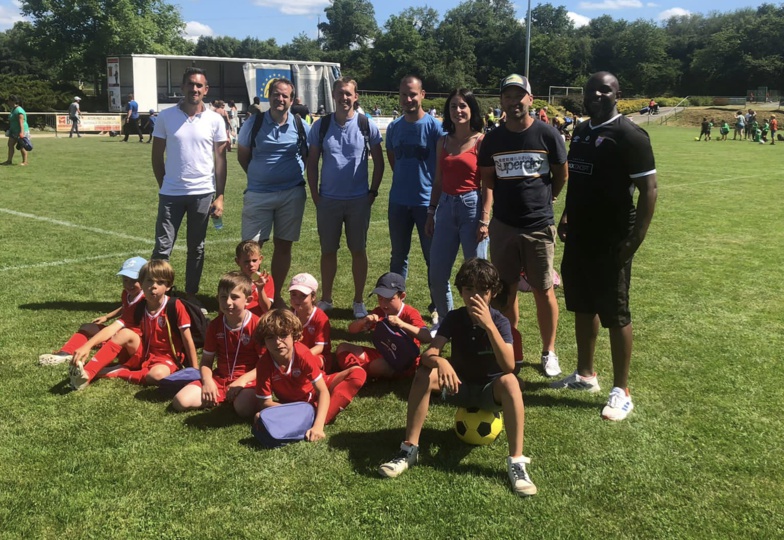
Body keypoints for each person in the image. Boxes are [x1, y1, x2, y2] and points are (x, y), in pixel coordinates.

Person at [378, 258, 537, 496]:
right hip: (457, 386)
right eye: (469, 289)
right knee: (424, 374)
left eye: (482, 291)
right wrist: (441, 361)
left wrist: (488, 326)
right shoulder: (455, 318)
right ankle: (409, 449)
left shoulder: (500, 322)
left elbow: (508, 365)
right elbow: (429, 354)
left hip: (489, 391)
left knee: (511, 382)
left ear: (493, 293)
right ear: (461, 291)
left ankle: (517, 462)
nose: (475, 297)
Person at [554, 71, 657, 422]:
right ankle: (585, 375)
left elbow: (649, 190)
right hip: (580, 236)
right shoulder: (582, 131)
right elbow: (579, 181)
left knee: (615, 312)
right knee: (583, 305)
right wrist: (567, 214)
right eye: (591, 90)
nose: (597, 95)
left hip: (612, 239)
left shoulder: (629, 135)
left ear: (617, 95)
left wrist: (635, 239)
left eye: (605, 90)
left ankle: (621, 391)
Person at [478, 74, 568, 378]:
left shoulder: (547, 134)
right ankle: (511, 347)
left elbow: (561, 174)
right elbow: (488, 179)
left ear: (530, 99)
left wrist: (549, 198)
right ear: (501, 101)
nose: (514, 102)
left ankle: (549, 351)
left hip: (539, 226)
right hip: (504, 225)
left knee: (544, 290)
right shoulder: (493, 139)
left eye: (519, 96)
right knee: (505, 292)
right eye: (508, 96)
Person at [306, 77, 384, 319]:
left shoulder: (365, 124)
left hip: (358, 200)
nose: (344, 98)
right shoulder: (321, 125)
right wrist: (315, 194)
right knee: (328, 251)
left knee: (358, 250)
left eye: (348, 93)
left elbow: (379, 162)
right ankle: (327, 299)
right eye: (340, 93)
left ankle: (359, 301)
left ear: (356, 96)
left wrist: (372, 192)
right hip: (328, 200)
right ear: (333, 95)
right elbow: (312, 162)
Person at [151, 67, 228, 307]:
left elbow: (221, 160)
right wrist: (165, 184)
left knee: (197, 248)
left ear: (206, 90)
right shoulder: (166, 116)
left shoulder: (215, 119)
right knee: (162, 248)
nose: (194, 89)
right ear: (182, 87)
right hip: (171, 194)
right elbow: (156, 156)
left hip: (203, 193)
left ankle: (191, 295)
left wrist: (220, 195)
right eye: (190, 84)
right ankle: (157, 296)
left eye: (199, 85)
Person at [69, 260, 200, 390]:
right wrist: (87, 346)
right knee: (124, 333)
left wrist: (195, 371)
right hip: (143, 353)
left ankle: (119, 372)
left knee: (157, 375)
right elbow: (113, 328)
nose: (154, 286)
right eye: (149, 281)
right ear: (141, 284)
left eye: (160, 282)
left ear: (168, 286)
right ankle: (87, 373)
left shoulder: (175, 306)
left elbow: (187, 340)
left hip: (167, 358)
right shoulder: (139, 306)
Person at [238, 78, 310, 308]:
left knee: (284, 246)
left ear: (292, 99)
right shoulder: (254, 123)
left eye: (285, 96)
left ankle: (275, 295)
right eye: (276, 94)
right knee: (250, 249)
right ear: (269, 96)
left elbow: (308, 155)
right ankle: (249, 297)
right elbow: (243, 156)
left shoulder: (301, 125)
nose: (280, 99)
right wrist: (260, 176)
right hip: (258, 194)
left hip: (291, 194)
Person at [425, 88, 488, 332]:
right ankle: (446, 323)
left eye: (463, 106)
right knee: (437, 274)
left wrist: (484, 219)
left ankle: (479, 325)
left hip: (472, 207)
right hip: (445, 207)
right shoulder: (443, 142)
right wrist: (431, 212)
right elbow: (438, 181)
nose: (458, 110)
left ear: (472, 109)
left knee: (477, 275)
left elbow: (488, 184)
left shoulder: (481, 141)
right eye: (453, 106)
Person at [253, 309, 366, 441]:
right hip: (292, 405)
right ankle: (309, 414)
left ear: (294, 335)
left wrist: (318, 427)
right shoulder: (263, 364)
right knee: (259, 416)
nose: (278, 342)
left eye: (283, 335)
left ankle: (315, 417)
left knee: (358, 373)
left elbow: (322, 390)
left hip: (317, 390)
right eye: (270, 337)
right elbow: (265, 402)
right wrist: (293, 410)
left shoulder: (302, 353)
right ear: (263, 341)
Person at [385, 75, 445, 323]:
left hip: (426, 203)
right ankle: (395, 305)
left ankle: (437, 305)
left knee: (433, 258)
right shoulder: (394, 128)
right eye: (403, 94)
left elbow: (442, 165)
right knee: (398, 256)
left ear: (422, 95)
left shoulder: (435, 127)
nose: (408, 99)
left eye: (412, 94)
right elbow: (393, 160)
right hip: (399, 202)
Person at [172, 272, 260, 418]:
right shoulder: (215, 325)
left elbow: (265, 364)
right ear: (217, 298)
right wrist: (208, 382)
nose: (228, 302)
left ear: (248, 300)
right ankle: (224, 397)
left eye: (234, 297)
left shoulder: (258, 325)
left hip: (248, 381)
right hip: (220, 379)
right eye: (223, 297)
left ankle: (234, 399)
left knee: (243, 408)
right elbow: (206, 361)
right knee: (180, 401)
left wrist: (242, 381)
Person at [39, 256, 146, 366]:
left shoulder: (146, 300)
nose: (129, 285)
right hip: (119, 332)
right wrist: (107, 317)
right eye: (125, 280)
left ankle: (94, 355)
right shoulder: (127, 293)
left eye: (134, 280)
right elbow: (125, 307)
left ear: (145, 279)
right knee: (87, 327)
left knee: (116, 337)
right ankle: (65, 353)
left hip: (131, 341)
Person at [334, 272, 430, 379]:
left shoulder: (410, 313)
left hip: (404, 363)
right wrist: (364, 321)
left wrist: (402, 324)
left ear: (402, 296)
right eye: (380, 298)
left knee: (378, 365)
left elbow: (427, 337)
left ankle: (357, 374)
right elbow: (351, 330)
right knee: (343, 347)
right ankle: (356, 372)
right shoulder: (380, 311)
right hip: (384, 354)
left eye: (389, 299)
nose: (384, 304)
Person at [288, 273, 332, 372]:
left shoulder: (320, 317)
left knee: (308, 363)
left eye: (303, 295)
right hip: (295, 355)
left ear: (313, 297)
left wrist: (299, 357)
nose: (297, 299)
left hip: (317, 356)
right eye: (294, 294)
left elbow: (319, 347)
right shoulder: (289, 315)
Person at [234, 240, 274, 316]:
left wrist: (260, 289)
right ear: (238, 261)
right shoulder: (233, 280)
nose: (251, 264)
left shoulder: (265, 279)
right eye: (246, 261)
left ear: (260, 259)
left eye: (254, 260)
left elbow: (266, 308)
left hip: (258, 319)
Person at [3, 95, 29, 166]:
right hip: (13, 131)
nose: (8, 102)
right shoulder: (13, 109)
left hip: (21, 131)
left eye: (9, 101)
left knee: (21, 146)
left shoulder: (19, 110)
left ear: (13, 101)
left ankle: (25, 162)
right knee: (10, 144)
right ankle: (9, 161)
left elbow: (21, 123)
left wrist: (21, 133)